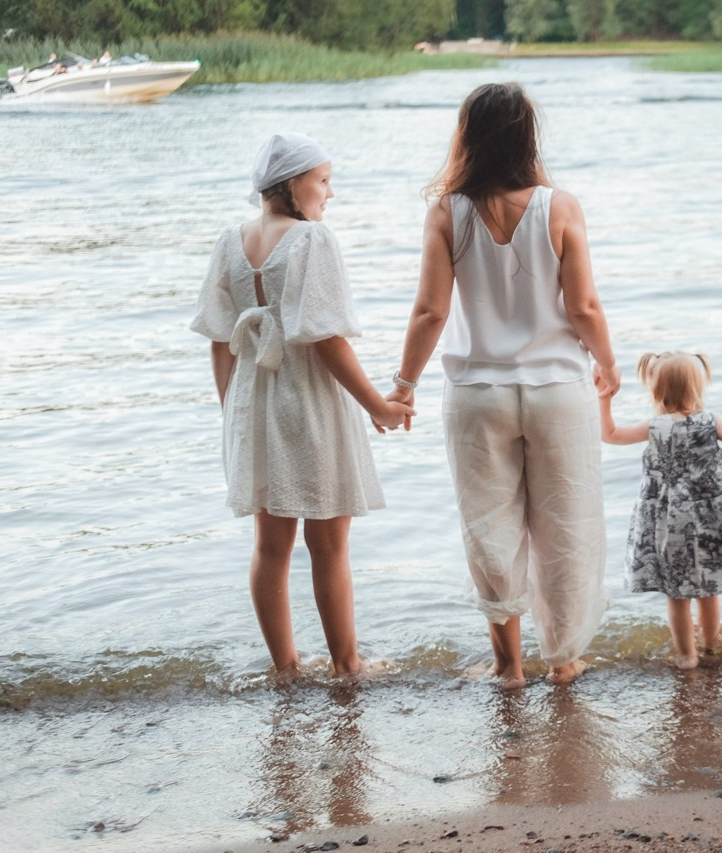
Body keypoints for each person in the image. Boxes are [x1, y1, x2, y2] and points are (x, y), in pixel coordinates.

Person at [386, 82, 619, 689]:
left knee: (489, 526)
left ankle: (509, 666)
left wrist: (403, 384)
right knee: (564, 523)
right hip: (557, 391)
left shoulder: (446, 211)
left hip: (477, 394)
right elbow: (586, 306)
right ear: (527, 135)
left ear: (469, 136)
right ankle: (564, 660)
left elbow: (429, 312)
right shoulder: (560, 206)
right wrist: (609, 365)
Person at [190, 132, 412, 678]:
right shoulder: (313, 241)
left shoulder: (229, 240)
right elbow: (327, 339)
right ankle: (346, 663)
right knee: (329, 544)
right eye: (323, 180)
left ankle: (285, 667)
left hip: (252, 401)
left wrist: (232, 412)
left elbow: (221, 339)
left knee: (271, 546)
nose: (330, 193)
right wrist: (377, 407)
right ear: (293, 184)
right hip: (307, 398)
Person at [599, 352, 722, 669]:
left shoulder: (655, 426)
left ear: (655, 390)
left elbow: (610, 435)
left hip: (669, 523)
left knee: (678, 594)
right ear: (697, 386)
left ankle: (685, 656)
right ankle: (711, 647)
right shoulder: (711, 422)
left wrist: (604, 398)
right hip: (711, 519)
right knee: (710, 589)